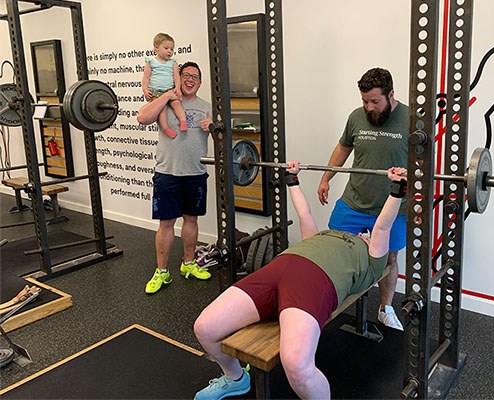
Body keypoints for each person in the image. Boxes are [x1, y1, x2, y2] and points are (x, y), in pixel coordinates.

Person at [193, 162, 407, 400]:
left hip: (315, 280)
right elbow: (304, 215)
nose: (363, 234)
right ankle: (235, 379)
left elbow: (382, 226)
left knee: (296, 365)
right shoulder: (325, 235)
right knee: (205, 328)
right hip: (278, 267)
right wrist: (291, 179)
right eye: (363, 234)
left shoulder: (372, 262)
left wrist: (397, 189)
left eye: (367, 237)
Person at [317, 67, 409, 330]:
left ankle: (385, 308)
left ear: (391, 94)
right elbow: (343, 148)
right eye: (364, 101)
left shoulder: (412, 120)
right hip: (354, 202)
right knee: (335, 250)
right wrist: (326, 178)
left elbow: (424, 163)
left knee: (389, 259)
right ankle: (331, 302)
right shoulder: (356, 117)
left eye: (375, 101)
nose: (369, 107)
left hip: (392, 207)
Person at [137, 61, 213, 294]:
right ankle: (162, 271)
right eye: (186, 75)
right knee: (166, 224)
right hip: (167, 173)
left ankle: (188, 264)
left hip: (195, 173)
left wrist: (214, 126)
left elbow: (222, 137)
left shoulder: (206, 106)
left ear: (200, 82)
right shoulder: (165, 102)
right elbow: (142, 118)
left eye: (195, 77)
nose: (190, 79)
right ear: (178, 78)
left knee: (191, 220)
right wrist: (168, 95)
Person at [142, 32, 188, 139]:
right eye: (166, 48)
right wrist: (145, 89)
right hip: (156, 91)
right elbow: (146, 78)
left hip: (170, 90)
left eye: (172, 49)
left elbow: (177, 77)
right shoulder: (151, 62)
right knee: (161, 109)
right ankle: (166, 128)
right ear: (156, 48)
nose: (169, 51)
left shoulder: (173, 63)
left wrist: (177, 87)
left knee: (177, 103)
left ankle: (183, 121)